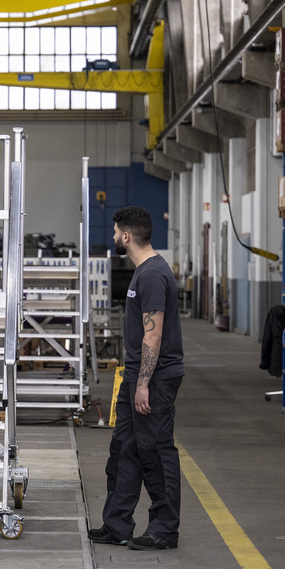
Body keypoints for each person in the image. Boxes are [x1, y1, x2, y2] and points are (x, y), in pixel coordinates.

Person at [90, 206, 184, 551]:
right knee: (124, 449)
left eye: (116, 232)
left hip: (155, 380)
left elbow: (153, 336)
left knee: (155, 452)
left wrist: (143, 383)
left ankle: (164, 528)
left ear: (127, 236)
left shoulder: (153, 275)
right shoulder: (144, 271)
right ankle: (117, 524)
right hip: (135, 377)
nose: (114, 237)